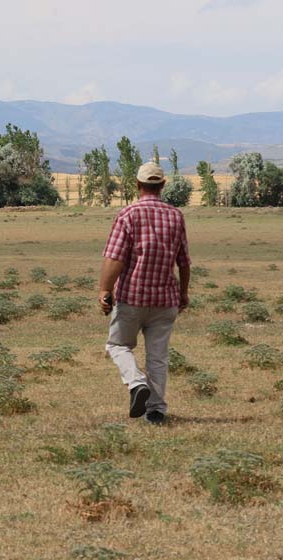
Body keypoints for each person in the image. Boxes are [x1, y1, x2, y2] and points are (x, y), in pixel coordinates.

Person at [97, 161, 191, 425]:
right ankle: (156, 411)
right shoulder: (176, 215)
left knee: (117, 345)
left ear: (137, 185)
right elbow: (183, 261)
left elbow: (115, 257)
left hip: (132, 297)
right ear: (162, 186)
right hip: (165, 300)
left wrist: (105, 289)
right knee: (158, 357)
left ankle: (137, 383)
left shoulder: (127, 215)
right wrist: (183, 294)